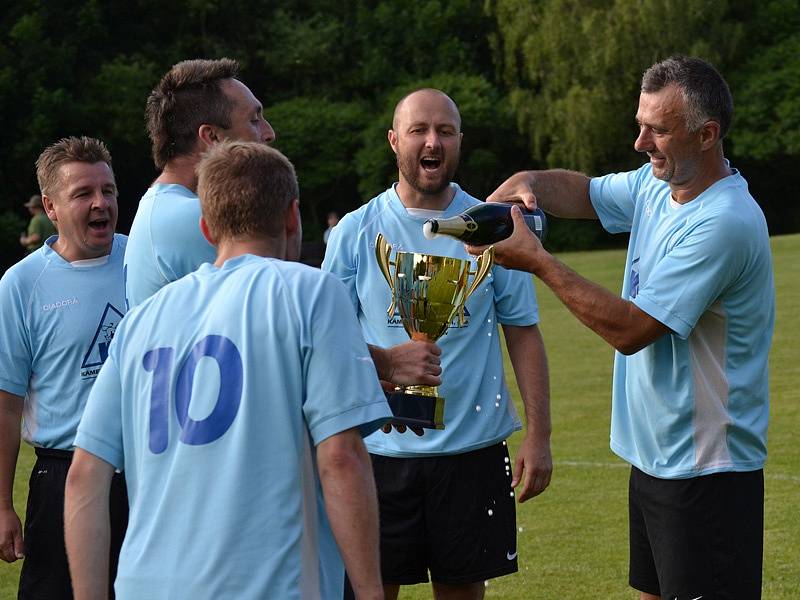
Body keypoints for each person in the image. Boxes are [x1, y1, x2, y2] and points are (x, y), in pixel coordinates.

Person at [474, 56, 775, 600]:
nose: (640, 143)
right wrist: (529, 183)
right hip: (657, 460)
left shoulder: (724, 221)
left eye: (658, 130)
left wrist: (539, 261)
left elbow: (632, 329)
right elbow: (586, 193)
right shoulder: (659, 185)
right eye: (641, 124)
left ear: (707, 135)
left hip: (706, 470)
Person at [64, 142, 389, 600]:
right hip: (266, 586)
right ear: (292, 216)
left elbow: (84, 475)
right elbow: (341, 457)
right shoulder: (311, 292)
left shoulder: (140, 320)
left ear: (206, 227)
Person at [323, 88, 552, 600]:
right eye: (419, 130)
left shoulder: (497, 226)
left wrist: (539, 435)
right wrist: (382, 366)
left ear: (460, 141)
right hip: (377, 454)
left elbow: (523, 330)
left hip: (472, 453)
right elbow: (325, 341)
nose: (433, 141)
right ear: (393, 141)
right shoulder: (356, 232)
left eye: (445, 131)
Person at [0, 137, 128, 599]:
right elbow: (6, 407)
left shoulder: (147, 261)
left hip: (147, 476)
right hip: (63, 478)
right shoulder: (21, 284)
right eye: (84, 194)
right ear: (51, 208)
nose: (101, 203)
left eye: (109, 190)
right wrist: (1, 507)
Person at [123, 57, 275, 308]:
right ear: (212, 137)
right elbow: (271, 317)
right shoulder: (189, 216)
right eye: (254, 120)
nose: (269, 133)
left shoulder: (162, 207)